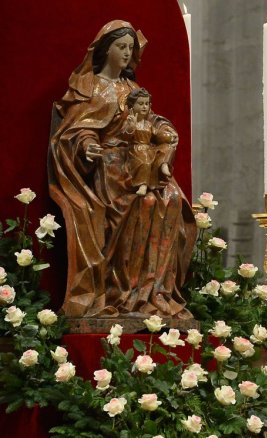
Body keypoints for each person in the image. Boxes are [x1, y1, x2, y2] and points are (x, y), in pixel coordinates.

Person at [49, 20, 196, 319]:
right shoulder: (89, 87)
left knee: (170, 200)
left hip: (138, 162)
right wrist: (87, 145)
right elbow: (76, 129)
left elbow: (150, 120)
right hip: (109, 166)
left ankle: (152, 292)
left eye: (131, 47)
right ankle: (122, 291)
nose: (127, 53)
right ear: (106, 49)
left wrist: (164, 129)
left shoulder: (133, 88)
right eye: (121, 47)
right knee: (142, 203)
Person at [122, 88, 175, 197]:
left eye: (146, 104)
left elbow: (157, 134)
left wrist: (169, 136)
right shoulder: (130, 121)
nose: (144, 106)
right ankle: (143, 185)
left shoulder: (148, 124)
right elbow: (124, 136)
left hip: (148, 149)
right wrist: (131, 127)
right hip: (136, 151)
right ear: (132, 106)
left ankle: (163, 164)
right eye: (141, 104)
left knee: (168, 148)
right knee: (145, 162)